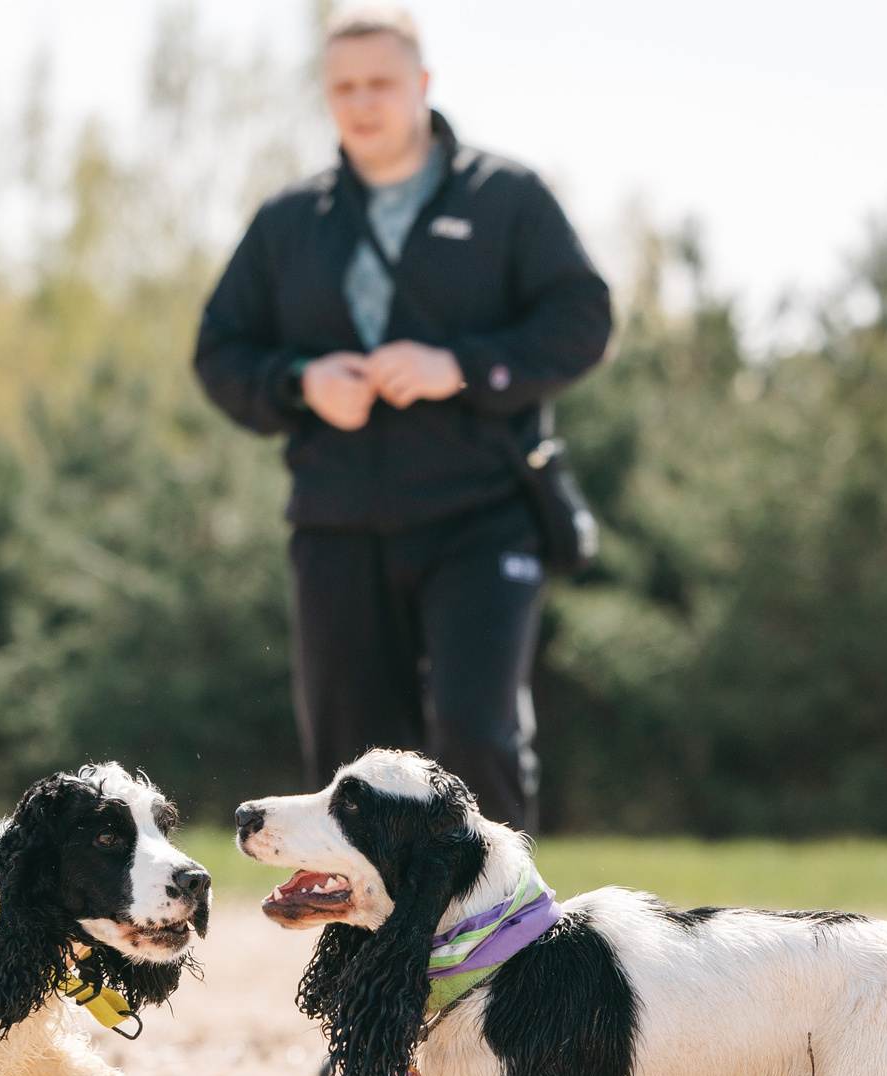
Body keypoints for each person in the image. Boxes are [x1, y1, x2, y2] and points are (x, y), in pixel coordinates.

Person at [194, 4, 611, 831]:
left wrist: (458, 366)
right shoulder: (290, 221)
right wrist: (300, 382)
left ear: (420, 84)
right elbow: (220, 352)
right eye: (343, 87)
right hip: (337, 524)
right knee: (351, 762)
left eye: (381, 82)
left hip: (482, 520)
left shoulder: (506, 200)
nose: (363, 102)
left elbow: (583, 321)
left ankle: (505, 954)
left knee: (474, 734)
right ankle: (370, 958)